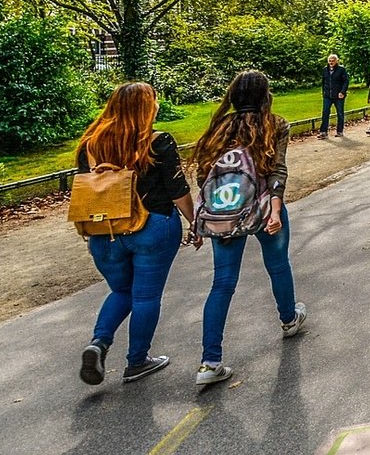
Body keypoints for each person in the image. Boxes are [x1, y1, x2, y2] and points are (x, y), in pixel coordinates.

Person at [76, 82, 198, 387]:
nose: (157, 105)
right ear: (147, 107)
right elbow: (177, 190)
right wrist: (194, 221)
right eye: (154, 101)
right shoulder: (156, 142)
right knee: (145, 295)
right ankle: (137, 360)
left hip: (104, 231)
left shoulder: (90, 145)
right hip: (152, 226)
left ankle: (99, 342)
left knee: (121, 291)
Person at [191, 70, 305, 386]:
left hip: (226, 210)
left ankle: (210, 360)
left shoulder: (219, 128)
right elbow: (277, 169)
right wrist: (276, 208)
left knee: (223, 282)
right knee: (278, 265)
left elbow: (204, 176)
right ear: (264, 95)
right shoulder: (275, 125)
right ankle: (288, 318)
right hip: (266, 204)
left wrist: (209, 213)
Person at [319, 53, 349, 137]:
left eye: (333, 61)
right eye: (330, 61)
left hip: (338, 95)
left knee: (340, 113)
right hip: (328, 95)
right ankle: (323, 132)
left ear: (336, 61)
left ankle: (340, 131)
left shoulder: (341, 70)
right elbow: (323, 82)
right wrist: (324, 92)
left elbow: (346, 81)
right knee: (325, 113)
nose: (331, 62)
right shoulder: (325, 70)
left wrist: (342, 92)